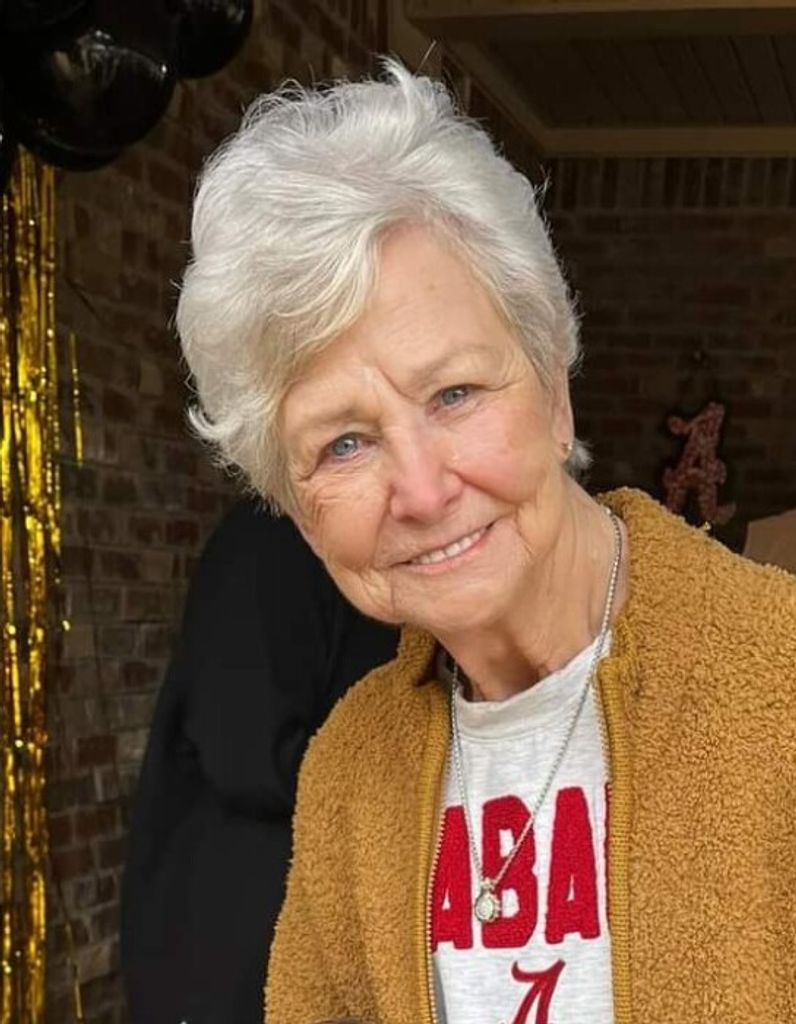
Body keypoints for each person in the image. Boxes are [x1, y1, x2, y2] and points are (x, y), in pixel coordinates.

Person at [175, 60, 796, 1024]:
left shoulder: (779, 679)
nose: (423, 491)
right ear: (297, 508)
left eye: (454, 394)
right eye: (344, 444)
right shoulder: (350, 767)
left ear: (555, 390)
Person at [120, 498, 397, 1024]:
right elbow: (246, 753)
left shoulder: (368, 556)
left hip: (307, 922)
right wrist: (399, 794)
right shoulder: (268, 540)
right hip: (233, 932)